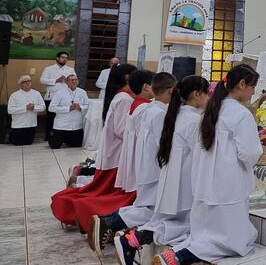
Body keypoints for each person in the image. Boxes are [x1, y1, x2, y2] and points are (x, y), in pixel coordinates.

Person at [154, 64, 262, 265]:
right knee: (232, 242)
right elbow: (250, 152)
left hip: (204, 184)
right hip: (227, 185)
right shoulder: (241, 114)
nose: (254, 91)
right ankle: (178, 257)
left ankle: (174, 253)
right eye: (253, 86)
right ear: (241, 84)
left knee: (202, 234)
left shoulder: (211, 109)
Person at [113, 76, 210, 265]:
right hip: (184, 179)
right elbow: (202, 153)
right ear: (197, 94)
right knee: (186, 224)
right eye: (207, 94)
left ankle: (133, 239)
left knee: (172, 221)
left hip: (171, 175)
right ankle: (135, 239)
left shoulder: (176, 113)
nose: (208, 98)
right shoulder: (192, 120)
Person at [90, 72, 177, 259]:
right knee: (152, 211)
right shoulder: (157, 112)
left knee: (145, 205)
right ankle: (112, 225)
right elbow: (164, 144)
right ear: (170, 90)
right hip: (154, 168)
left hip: (144, 166)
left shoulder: (147, 108)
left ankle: (109, 221)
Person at [50, 63, 137, 226]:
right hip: (118, 153)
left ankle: (75, 193)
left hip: (114, 151)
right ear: (127, 77)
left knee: (101, 189)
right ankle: (77, 207)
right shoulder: (125, 98)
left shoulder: (121, 95)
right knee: (108, 193)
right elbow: (121, 129)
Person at [40, 51, 75, 140]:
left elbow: (74, 80)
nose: (64, 59)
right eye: (63, 57)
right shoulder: (49, 69)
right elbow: (42, 80)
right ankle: (50, 137)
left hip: (65, 98)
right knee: (51, 118)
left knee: (64, 117)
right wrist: (56, 80)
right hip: (51, 96)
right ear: (57, 58)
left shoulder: (70, 70)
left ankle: (63, 137)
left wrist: (68, 81)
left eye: (66, 58)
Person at [48, 74, 90, 149]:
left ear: (78, 81)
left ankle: (68, 141)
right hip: (62, 126)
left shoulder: (82, 92)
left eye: (76, 80)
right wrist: (68, 108)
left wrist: (80, 107)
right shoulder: (59, 93)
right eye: (71, 80)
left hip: (76, 126)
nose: (74, 81)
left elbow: (88, 106)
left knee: (76, 145)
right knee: (54, 146)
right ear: (67, 82)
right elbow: (51, 108)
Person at [7, 75, 45, 145]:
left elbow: (43, 107)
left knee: (28, 143)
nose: (28, 83)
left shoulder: (36, 93)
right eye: (25, 81)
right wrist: (25, 108)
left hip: (31, 125)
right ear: (20, 84)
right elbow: (10, 110)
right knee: (17, 143)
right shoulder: (14, 95)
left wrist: (34, 107)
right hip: (18, 126)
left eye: (29, 81)